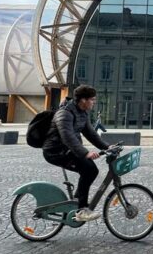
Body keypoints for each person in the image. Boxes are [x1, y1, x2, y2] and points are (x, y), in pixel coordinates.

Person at [42, 85, 109, 222]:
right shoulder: (65, 113)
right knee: (89, 169)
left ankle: (78, 201)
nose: (94, 102)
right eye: (92, 99)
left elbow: (91, 133)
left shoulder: (82, 112)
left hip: (68, 150)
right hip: (55, 151)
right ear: (83, 100)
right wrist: (85, 153)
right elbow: (67, 136)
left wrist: (107, 147)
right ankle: (81, 210)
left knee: (91, 170)